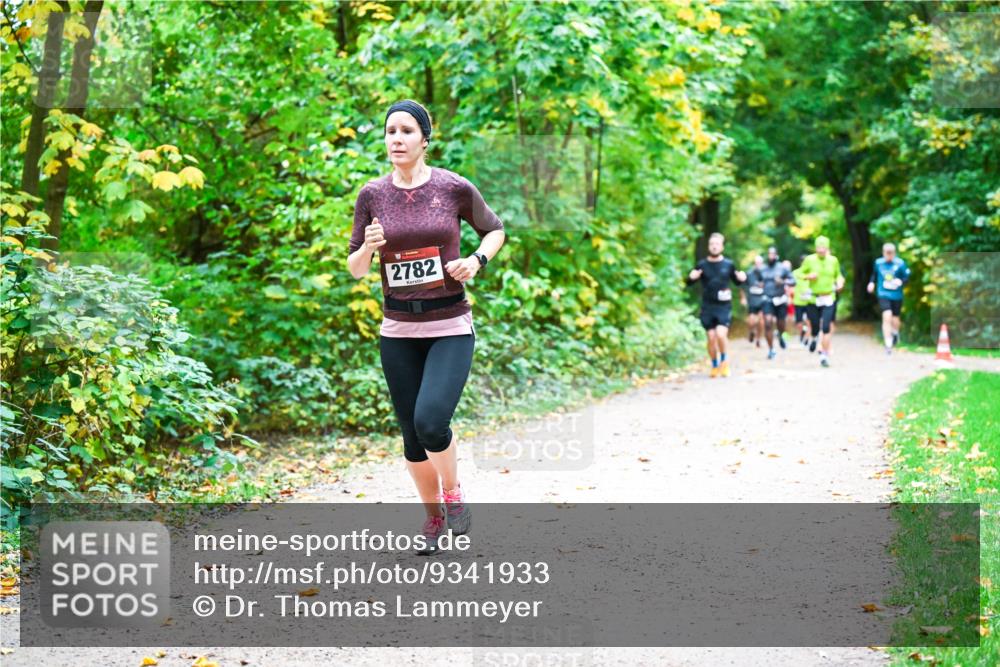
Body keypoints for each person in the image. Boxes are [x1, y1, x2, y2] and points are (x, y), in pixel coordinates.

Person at [347, 99, 506, 554]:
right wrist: (369, 248)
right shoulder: (372, 195)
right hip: (398, 330)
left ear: (425, 140)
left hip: (449, 324)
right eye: (390, 131)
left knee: (431, 422)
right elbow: (356, 268)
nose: (396, 139)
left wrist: (476, 260)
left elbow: (495, 230)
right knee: (412, 438)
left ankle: (452, 494)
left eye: (406, 131)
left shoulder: (452, 187)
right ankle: (433, 519)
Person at [687, 233, 747, 378]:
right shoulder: (702, 265)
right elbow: (689, 283)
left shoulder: (728, 264)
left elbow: (737, 281)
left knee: (720, 334)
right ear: (709, 246)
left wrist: (742, 278)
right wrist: (691, 277)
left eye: (717, 244)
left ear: (722, 247)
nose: (714, 246)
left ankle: (724, 361)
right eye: (712, 244)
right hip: (708, 306)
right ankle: (714, 364)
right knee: (711, 337)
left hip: (723, 306)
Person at [800, 236, 844, 367]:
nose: (821, 250)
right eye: (818, 248)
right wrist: (808, 276)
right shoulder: (809, 260)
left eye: (823, 248)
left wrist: (840, 282)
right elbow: (798, 273)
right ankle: (814, 338)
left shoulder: (833, 260)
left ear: (827, 248)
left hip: (829, 298)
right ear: (815, 248)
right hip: (814, 298)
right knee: (814, 326)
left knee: (826, 327)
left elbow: (838, 275)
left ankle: (823, 355)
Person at [867, 242, 910, 354]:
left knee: (895, 318)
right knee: (887, 315)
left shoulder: (900, 263)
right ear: (883, 253)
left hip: (896, 295)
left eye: (891, 253)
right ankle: (888, 343)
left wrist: (901, 281)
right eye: (887, 253)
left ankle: (895, 333)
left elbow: (906, 277)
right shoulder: (878, 263)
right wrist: (871, 283)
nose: (889, 256)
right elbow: (874, 275)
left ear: (894, 253)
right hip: (883, 293)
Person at [759, 247, 796, 359]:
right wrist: (759, 284)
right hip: (767, 299)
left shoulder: (782, 268)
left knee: (781, 323)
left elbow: (793, 281)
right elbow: (755, 281)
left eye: (773, 254)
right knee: (768, 323)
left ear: (776, 255)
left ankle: (780, 335)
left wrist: (783, 281)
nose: (771, 256)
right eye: (769, 254)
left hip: (780, 299)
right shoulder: (762, 269)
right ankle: (771, 349)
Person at [740, 255, 766, 347]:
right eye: (756, 263)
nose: (758, 265)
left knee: (761, 321)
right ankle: (751, 331)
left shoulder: (766, 273)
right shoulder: (749, 274)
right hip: (752, 300)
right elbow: (742, 287)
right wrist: (743, 298)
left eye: (759, 263)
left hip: (763, 300)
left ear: (762, 263)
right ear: (754, 264)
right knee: (751, 321)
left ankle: (758, 339)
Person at [791, 257, 813, 346]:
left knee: (809, 322)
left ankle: (806, 340)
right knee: (799, 324)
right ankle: (802, 332)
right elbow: (791, 285)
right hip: (798, 301)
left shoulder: (813, 273)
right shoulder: (795, 273)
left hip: (809, 302)